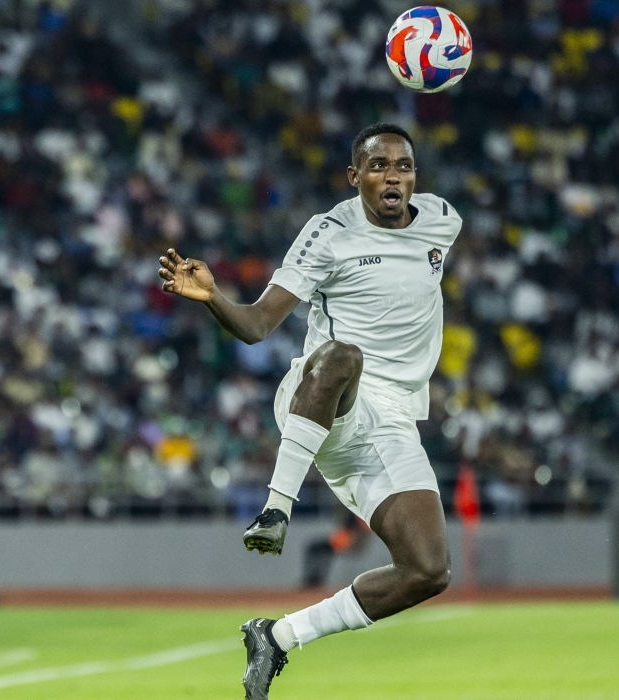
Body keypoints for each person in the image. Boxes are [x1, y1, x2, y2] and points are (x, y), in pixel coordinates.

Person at [159, 123, 459, 699]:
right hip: (321, 393)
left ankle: (278, 635)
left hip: (393, 420)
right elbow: (257, 325)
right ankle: (276, 508)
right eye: (378, 167)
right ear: (355, 178)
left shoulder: (443, 219)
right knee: (345, 354)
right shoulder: (328, 233)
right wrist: (213, 298)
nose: (393, 177)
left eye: (403, 167)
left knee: (428, 570)